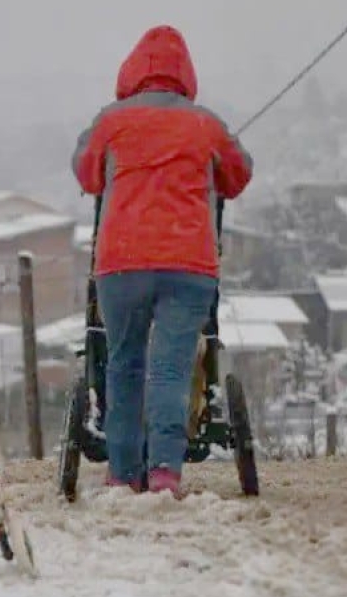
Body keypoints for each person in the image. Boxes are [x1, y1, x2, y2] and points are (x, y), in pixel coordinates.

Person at [71, 25, 253, 497]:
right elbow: (238, 175)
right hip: (188, 263)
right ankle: (166, 470)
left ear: (131, 71)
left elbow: (86, 172)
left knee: (124, 362)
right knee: (172, 368)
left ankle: (122, 470)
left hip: (122, 262)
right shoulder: (206, 123)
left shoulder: (110, 121)